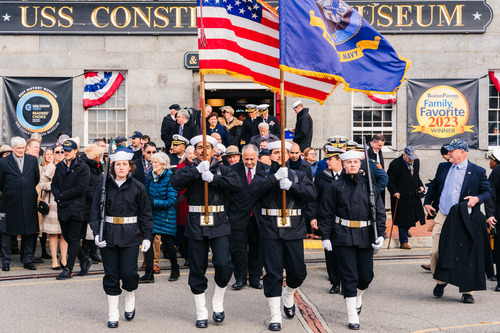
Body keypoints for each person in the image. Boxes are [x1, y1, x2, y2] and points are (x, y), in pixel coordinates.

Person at [170, 135, 241, 328]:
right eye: (199, 147)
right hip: (195, 223)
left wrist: (215, 178)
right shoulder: (189, 168)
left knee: (224, 264)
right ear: (195, 151)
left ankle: (217, 301)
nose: (203, 151)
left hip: (218, 221)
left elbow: (237, 185)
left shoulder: (223, 168)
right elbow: (175, 182)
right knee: (197, 267)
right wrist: (195, 171)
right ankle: (201, 311)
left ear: (213, 151)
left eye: (207, 147)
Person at [249, 140, 316, 331]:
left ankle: (289, 293)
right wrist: (274, 179)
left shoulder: (299, 175)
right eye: (276, 153)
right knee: (273, 273)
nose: (279, 156)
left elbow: (312, 194)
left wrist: (292, 186)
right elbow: (253, 190)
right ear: (271, 156)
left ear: (288, 155)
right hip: (270, 229)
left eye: (283, 152)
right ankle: (275, 315)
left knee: (298, 272)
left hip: (293, 228)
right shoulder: (263, 175)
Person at [318, 150, 386, 330]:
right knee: (349, 276)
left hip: (365, 235)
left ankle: (358, 296)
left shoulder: (369, 187)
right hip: (343, 235)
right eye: (349, 163)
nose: (352, 165)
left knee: (365, 277)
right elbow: (326, 213)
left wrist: (380, 234)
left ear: (360, 164)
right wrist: (325, 236)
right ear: (344, 164)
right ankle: (351, 314)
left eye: (356, 162)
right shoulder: (335, 186)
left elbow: (379, 212)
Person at [90, 149, 154, 328]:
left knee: (129, 274)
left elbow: (146, 214)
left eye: (124, 164)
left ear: (130, 166)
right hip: (108, 235)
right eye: (117, 164)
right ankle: (113, 313)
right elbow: (95, 211)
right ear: (113, 167)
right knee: (111, 275)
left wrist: (147, 236)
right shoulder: (104, 187)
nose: (121, 167)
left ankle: (130, 294)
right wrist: (96, 233)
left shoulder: (138, 187)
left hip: (130, 235)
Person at [424, 139, 492, 303]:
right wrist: (427, 202)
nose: (448, 154)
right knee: (436, 251)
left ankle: (468, 292)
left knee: (466, 255)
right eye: (448, 151)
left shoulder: (477, 171)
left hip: (464, 218)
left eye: (452, 151)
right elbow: (434, 186)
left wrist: (477, 198)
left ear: (463, 152)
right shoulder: (443, 167)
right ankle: (440, 281)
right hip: (443, 214)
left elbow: (488, 192)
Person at [51, 140, 92, 280]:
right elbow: (54, 184)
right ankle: (85, 260)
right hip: (63, 207)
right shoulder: (60, 166)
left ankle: (68, 268)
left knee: (73, 239)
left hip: (76, 208)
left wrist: (62, 196)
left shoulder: (83, 167)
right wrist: (57, 195)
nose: (66, 153)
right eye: (64, 150)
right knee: (68, 237)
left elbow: (81, 187)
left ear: (76, 151)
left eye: (69, 150)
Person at [229, 144, 266, 290]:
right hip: (238, 217)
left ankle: (255, 279)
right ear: (241, 157)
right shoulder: (233, 170)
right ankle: (240, 279)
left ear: (257, 157)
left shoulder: (265, 169)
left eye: (252, 159)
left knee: (257, 249)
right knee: (238, 249)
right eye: (246, 159)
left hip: (258, 217)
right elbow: (228, 193)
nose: (249, 162)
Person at [0, 137, 40, 272]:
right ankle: (6, 261)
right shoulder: (4, 162)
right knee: (6, 233)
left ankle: (28, 260)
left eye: (23, 148)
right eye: (18, 148)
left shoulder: (32, 160)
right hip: (10, 203)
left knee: (28, 232)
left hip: (28, 202)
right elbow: (1, 183)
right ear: (12, 148)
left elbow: (36, 179)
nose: (21, 150)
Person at [140, 152, 178, 283]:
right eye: (152, 162)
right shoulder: (150, 176)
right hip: (152, 215)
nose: (152, 164)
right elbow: (145, 193)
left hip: (166, 216)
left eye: (155, 162)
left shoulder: (170, 177)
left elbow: (171, 201)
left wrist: (153, 203)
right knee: (148, 243)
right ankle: (149, 273)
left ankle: (175, 269)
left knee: (168, 245)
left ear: (163, 164)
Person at [314, 145, 345, 294]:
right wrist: (313, 217)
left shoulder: (349, 175)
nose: (327, 162)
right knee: (330, 253)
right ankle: (335, 282)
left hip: (345, 221)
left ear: (339, 161)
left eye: (330, 159)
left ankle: (347, 282)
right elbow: (315, 198)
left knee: (345, 252)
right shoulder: (322, 176)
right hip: (328, 220)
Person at [387, 146, 426, 250]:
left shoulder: (416, 162)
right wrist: (394, 192)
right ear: (404, 154)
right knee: (402, 220)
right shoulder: (395, 164)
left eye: (413, 157)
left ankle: (406, 228)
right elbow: (389, 181)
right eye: (409, 158)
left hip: (413, 195)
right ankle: (403, 241)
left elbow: (416, 176)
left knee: (415, 216)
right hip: (401, 196)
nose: (411, 160)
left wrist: (421, 186)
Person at [39, 147, 68, 270]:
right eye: (57, 152)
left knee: (64, 233)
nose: (60, 154)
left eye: (63, 151)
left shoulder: (70, 167)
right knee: (53, 234)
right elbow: (42, 185)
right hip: (52, 204)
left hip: (67, 203)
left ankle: (64, 259)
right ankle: (54, 260)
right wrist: (55, 185)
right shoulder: (47, 168)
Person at [81, 144, 105, 264]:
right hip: (89, 201)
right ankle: (86, 253)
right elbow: (85, 186)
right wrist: (96, 197)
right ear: (93, 156)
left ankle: (93, 252)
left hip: (97, 200)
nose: (101, 157)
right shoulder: (86, 167)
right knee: (88, 230)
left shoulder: (97, 166)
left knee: (95, 227)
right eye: (99, 155)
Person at [175, 145, 196, 265]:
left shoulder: (201, 165)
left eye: (194, 153)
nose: (192, 156)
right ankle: (187, 255)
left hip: (196, 203)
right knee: (184, 230)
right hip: (183, 204)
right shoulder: (180, 167)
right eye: (189, 153)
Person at [485, 149, 500, 291]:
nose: (490, 161)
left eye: (491, 159)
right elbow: (491, 194)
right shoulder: (497, 172)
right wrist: (490, 214)